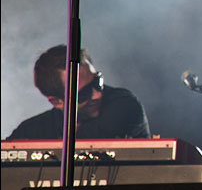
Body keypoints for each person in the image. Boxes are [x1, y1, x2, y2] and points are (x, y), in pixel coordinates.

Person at [5, 45, 150, 140]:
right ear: (57, 101)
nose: (97, 95)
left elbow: (86, 140)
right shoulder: (34, 130)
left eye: (97, 82)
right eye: (84, 93)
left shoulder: (123, 104)